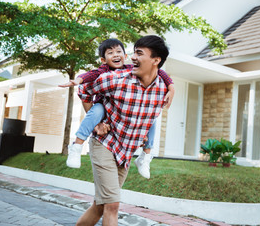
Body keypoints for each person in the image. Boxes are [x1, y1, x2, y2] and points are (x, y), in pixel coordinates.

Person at [75, 35, 170, 225]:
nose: (133, 57)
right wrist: (95, 123)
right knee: (112, 205)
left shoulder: (162, 89)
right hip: (105, 144)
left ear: (156, 60)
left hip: (126, 151)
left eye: (139, 53)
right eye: (134, 52)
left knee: (101, 205)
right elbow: (84, 89)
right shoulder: (116, 78)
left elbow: (150, 116)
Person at [59, 38, 174, 179]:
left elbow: (159, 71)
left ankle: (146, 155)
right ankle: (76, 146)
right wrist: (78, 80)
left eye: (119, 51)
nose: (115, 55)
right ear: (103, 59)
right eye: (110, 53)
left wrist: (171, 86)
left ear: (125, 56)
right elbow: (90, 76)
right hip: (102, 107)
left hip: (125, 142)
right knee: (97, 110)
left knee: (152, 118)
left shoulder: (131, 69)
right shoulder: (104, 71)